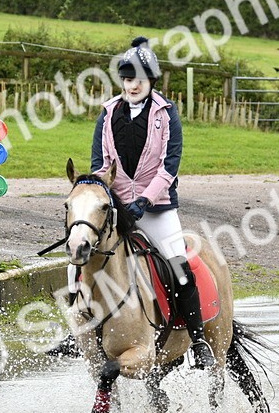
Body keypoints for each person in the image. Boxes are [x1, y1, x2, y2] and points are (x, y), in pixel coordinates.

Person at [57, 36, 216, 369]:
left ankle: (198, 338)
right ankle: (79, 334)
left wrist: (144, 200)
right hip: (114, 208)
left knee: (178, 265)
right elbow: (100, 164)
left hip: (156, 208)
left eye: (139, 80)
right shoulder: (108, 113)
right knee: (79, 259)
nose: (132, 85)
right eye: (128, 79)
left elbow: (169, 166)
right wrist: (98, 195)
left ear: (150, 82)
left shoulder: (166, 113)